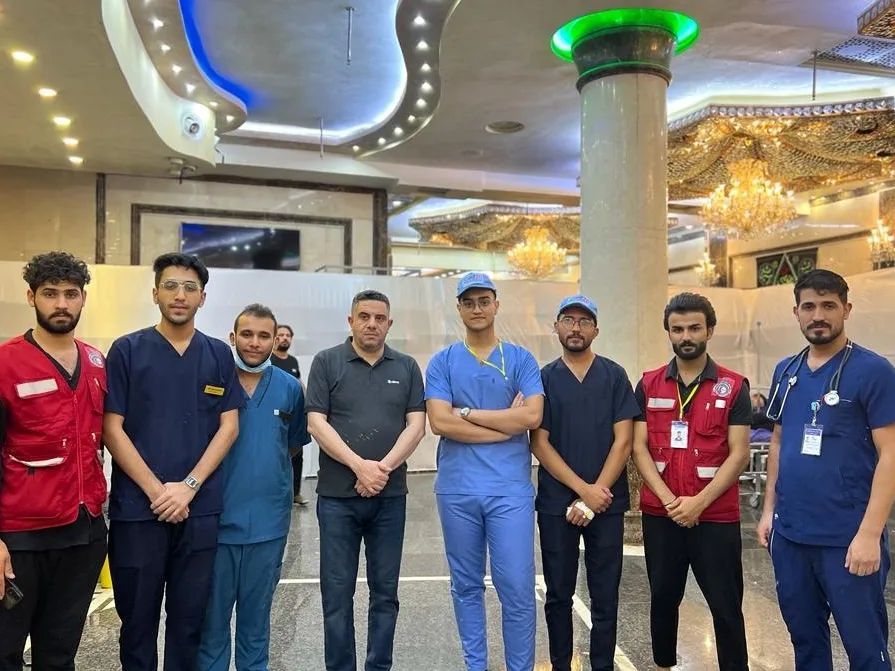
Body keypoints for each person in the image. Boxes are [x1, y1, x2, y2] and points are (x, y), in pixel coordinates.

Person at [103, 253, 242, 671]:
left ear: (202, 298)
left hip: (198, 510)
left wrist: (189, 487)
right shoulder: (127, 351)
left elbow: (229, 427)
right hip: (138, 511)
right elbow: (112, 428)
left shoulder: (218, 354)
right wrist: (158, 491)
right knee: (137, 623)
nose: (180, 295)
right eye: (170, 286)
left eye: (189, 288)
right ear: (155, 293)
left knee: (188, 623)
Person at [757, 269, 895, 671]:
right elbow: (779, 441)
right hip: (791, 534)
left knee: (865, 648)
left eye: (828, 305)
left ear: (846, 310)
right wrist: (769, 512)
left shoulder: (874, 371)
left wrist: (869, 534)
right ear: (796, 313)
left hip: (846, 536)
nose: (818, 315)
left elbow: (890, 453)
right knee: (805, 641)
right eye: (809, 306)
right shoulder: (786, 371)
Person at [425, 272, 544, 671]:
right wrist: (505, 425)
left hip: (509, 491)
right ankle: (475, 665)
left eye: (483, 301)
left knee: (517, 588)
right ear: (459, 309)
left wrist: (466, 413)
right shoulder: (443, 362)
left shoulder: (521, 360)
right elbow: (440, 422)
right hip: (457, 489)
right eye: (468, 302)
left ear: (496, 305)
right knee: (465, 586)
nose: (476, 308)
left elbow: (532, 416)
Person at [306, 289, 425, 671]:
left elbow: (416, 426)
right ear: (351, 321)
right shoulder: (327, 362)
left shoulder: (406, 367)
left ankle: (378, 666)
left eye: (379, 318)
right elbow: (316, 423)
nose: (371, 324)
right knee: (336, 596)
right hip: (337, 499)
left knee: (385, 594)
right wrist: (360, 466)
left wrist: (380, 469)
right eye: (364, 316)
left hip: (389, 499)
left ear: (389, 323)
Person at [632, 292, 751, 671]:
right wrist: (670, 501)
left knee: (726, 605)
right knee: (663, 599)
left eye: (695, 328)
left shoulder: (733, 386)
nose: (686, 336)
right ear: (668, 332)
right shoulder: (648, 384)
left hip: (715, 516)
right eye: (678, 329)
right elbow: (638, 448)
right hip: (661, 514)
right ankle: (663, 664)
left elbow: (739, 454)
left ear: (709, 330)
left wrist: (698, 502)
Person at [0, 251, 108, 671]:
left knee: (60, 654)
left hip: (83, 533)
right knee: (5, 651)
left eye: (71, 294)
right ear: (31, 297)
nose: (61, 303)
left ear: (83, 299)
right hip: (21, 536)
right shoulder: (6, 363)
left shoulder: (96, 362)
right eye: (50, 293)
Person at [530, 294, 639, 671]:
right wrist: (584, 491)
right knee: (558, 594)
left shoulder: (614, 375)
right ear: (556, 327)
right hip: (556, 504)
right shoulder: (544, 378)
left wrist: (595, 496)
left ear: (596, 329)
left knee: (605, 595)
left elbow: (623, 441)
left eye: (584, 321)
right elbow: (539, 443)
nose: (575, 328)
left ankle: (602, 665)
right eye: (568, 320)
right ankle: (561, 663)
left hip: (606, 503)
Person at [198, 304, 309, 671]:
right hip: (216, 522)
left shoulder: (289, 388)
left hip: (268, 525)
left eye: (264, 336)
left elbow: (291, 446)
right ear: (233, 337)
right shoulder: (212, 384)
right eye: (246, 334)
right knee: (212, 624)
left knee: (256, 621)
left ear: (275, 340)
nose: (255, 343)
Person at [271, 324, 308, 506]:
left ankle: (296, 493)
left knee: (297, 453)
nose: (285, 338)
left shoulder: (292, 361)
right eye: (281, 335)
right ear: (274, 338)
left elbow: (299, 383)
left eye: (288, 335)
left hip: (293, 414)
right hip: (274, 414)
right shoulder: (269, 359)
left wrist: (308, 400)